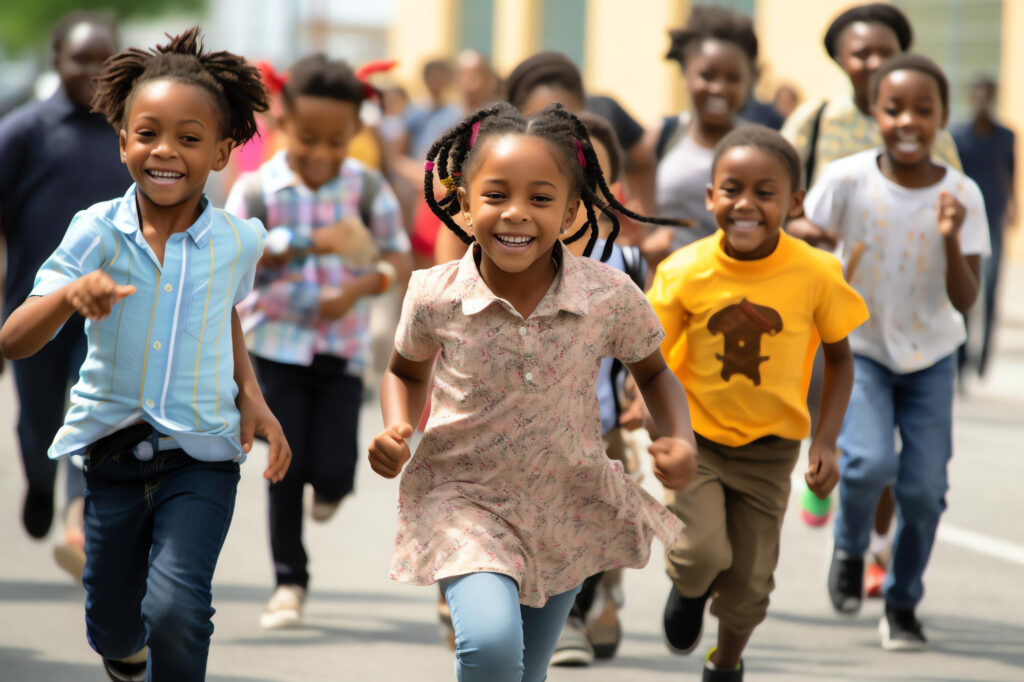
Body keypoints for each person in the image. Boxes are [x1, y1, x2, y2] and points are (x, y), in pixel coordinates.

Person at [368, 102, 697, 682]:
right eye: (495, 195)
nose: (515, 214)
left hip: (565, 500)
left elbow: (654, 373)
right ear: (464, 204)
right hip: (463, 498)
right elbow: (404, 371)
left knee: (526, 670)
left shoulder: (608, 295)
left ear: (571, 211)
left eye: (540, 200)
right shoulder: (434, 294)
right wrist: (397, 428)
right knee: (492, 648)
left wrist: (678, 438)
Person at [0, 27, 291, 682]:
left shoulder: (239, 242)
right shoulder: (95, 231)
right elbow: (15, 338)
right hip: (109, 455)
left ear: (222, 151)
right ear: (124, 138)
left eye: (189, 138)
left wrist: (254, 397)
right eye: (148, 133)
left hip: (202, 457)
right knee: (112, 623)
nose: (166, 151)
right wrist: (71, 295)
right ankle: (123, 656)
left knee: (177, 608)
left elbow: (223, 319)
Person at [647, 125, 867, 681]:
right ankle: (689, 587)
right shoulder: (684, 271)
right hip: (696, 441)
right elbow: (647, 359)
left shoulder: (817, 272)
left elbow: (840, 361)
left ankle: (726, 662)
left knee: (749, 582)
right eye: (731, 189)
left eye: (765, 193)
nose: (746, 204)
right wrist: (649, 417)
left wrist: (826, 441)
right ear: (709, 197)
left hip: (771, 453)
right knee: (701, 555)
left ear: (794, 202)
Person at [804, 54, 988, 651]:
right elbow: (806, 243)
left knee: (924, 490)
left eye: (923, 110)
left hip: (932, 354)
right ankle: (852, 545)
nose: (908, 120)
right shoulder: (846, 178)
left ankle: (903, 602)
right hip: (861, 348)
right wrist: (817, 242)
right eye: (894, 108)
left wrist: (951, 236)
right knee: (867, 466)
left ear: (943, 116)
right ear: (875, 112)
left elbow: (966, 301)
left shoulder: (963, 194)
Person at [226, 53, 413, 631]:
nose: (322, 153)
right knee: (285, 462)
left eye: (337, 140)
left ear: (355, 132)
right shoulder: (259, 189)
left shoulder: (367, 186)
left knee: (333, 470)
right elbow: (234, 258)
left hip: (342, 346)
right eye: (308, 138)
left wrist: (359, 283)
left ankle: (329, 488)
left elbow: (398, 259)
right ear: (282, 123)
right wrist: (309, 245)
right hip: (274, 346)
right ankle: (289, 582)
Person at [781, 5, 963, 577]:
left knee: (888, 452)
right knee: (848, 431)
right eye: (861, 52)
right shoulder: (812, 122)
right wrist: (802, 226)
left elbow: (953, 199)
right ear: (840, 59)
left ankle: (877, 546)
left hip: (904, 312)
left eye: (885, 51)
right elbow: (776, 197)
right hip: (821, 303)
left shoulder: (933, 134)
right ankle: (825, 465)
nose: (873, 62)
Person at [0, 11, 130, 579]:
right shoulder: (25, 131)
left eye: (105, 60)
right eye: (81, 59)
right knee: (38, 421)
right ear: (57, 62)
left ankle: (77, 519)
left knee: (92, 412)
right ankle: (38, 478)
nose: (94, 72)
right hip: (34, 307)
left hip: (106, 310)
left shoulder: (132, 132)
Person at [643, 5, 759, 261]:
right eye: (707, 75)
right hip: (669, 288)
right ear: (686, 74)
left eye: (733, 78)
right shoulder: (662, 135)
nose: (718, 88)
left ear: (748, 82)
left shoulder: (761, 147)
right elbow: (635, 213)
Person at [952, 75, 1016, 379]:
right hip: (966, 221)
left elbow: (1010, 172)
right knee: (968, 287)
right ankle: (962, 357)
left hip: (993, 217)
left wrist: (1013, 205)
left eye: (985, 95)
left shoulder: (1005, 136)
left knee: (991, 290)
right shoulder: (958, 136)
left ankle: (983, 359)